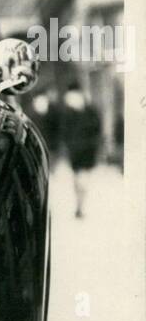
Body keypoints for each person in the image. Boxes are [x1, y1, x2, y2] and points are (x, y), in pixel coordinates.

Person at [57, 79, 102, 218]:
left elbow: (96, 128)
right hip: (79, 151)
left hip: (84, 150)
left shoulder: (86, 110)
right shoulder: (74, 111)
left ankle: (79, 205)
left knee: (81, 179)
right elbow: (64, 131)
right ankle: (79, 204)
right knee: (79, 180)